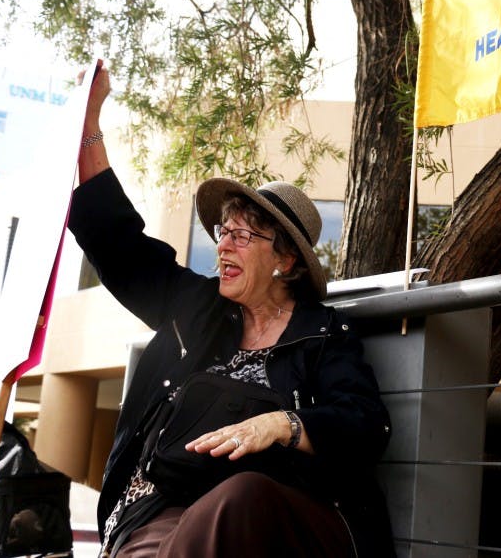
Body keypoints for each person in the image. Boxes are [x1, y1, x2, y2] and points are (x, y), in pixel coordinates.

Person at [69, 61, 396, 557]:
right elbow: (116, 245)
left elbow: (364, 425)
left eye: (242, 236)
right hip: (166, 504)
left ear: (285, 259)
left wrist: (280, 425)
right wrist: (89, 123)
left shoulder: (324, 333)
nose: (224, 247)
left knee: (240, 497)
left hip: (281, 513)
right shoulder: (195, 309)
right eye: (224, 233)